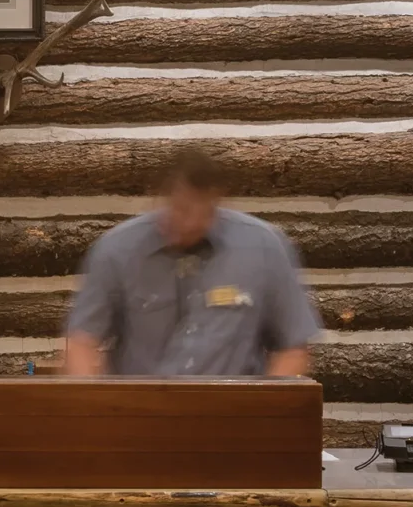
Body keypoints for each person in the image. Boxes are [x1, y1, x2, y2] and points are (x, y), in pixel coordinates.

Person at [63, 146, 320, 379]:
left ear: (217, 200)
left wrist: (264, 414)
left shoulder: (264, 247)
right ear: (160, 197)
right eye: (180, 210)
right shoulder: (116, 250)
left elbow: (293, 348)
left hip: (234, 418)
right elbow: (82, 342)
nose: (188, 224)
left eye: (202, 213)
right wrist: (93, 412)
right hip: (140, 417)